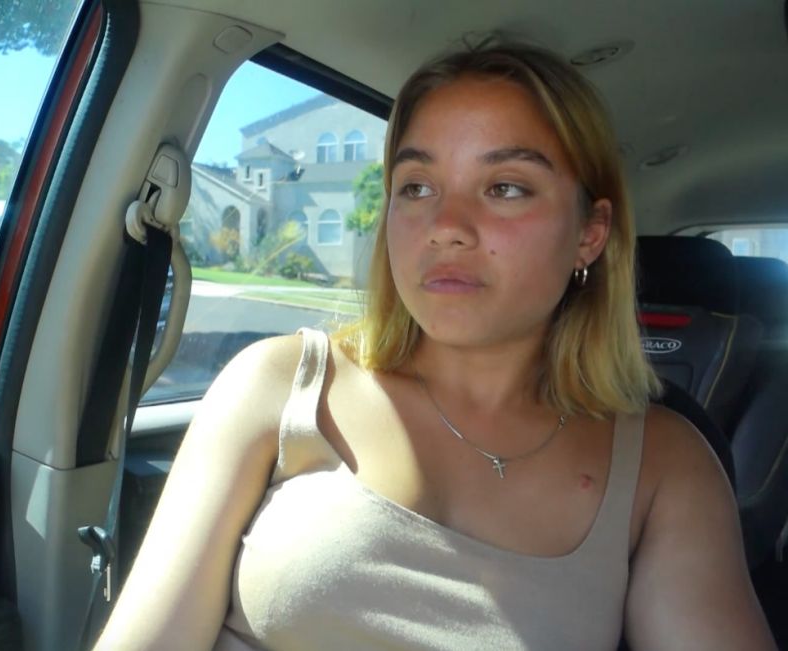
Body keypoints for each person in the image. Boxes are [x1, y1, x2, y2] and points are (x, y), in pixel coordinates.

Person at [95, 41, 777, 650]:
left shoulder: (664, 464)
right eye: (417, 186)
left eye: (505, 187)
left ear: (589, 234)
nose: (445, 225)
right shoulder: (278, 383)